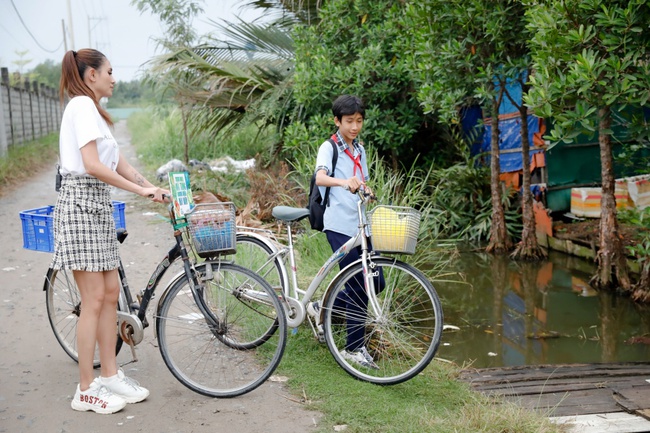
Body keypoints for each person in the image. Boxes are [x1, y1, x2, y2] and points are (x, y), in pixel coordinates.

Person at [52, 48, 169, 414]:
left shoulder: (96, 112)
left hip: (97, 207)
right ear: (91, 76)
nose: (114, 78)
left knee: (110, 292)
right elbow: (90, 165)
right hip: (81, 206)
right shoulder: (81, 107)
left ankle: (111, 375)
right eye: (110, 72)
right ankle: (85, 388)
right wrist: (137, 191)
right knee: (93, 300)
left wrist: (150, 185)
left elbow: (115, 160)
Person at [309, 95, 385, 369]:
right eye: (349, 121)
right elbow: (320, 177)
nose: (355, 126)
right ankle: (354, 348)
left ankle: (322, 307)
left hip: (361, 225)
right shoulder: (329, 147)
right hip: (339, 225)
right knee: (357, 283)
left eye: (359, 121)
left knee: (377, 282)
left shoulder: (360, 150)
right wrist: (345, 183)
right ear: (337, 121)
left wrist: (366, 188)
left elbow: (360, 180)